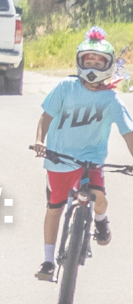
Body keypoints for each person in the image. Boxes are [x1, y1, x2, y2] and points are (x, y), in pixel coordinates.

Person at [31, 27, 133, 280]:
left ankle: (101, 219)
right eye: (89, 59)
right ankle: (47, 261)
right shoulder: (66, 87)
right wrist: (38, 141)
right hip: (58, 158)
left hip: (91, 160)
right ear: (79, 61)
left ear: (108, 65)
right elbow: (46, 117)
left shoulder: (111, 99)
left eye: (99, 61)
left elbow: (128, 133)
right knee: (54, 208)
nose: (93, 64)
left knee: (98, 196)